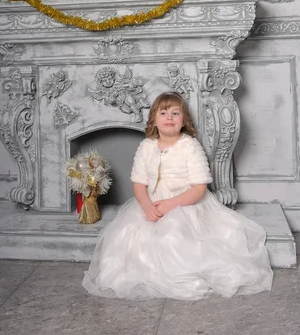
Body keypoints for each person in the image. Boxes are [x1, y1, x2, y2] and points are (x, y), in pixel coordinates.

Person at [82, 91, 273, 300]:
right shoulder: (146, 147)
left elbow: (199, 188)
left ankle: (181, 274)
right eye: (163, 113)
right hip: (151, 204)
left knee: (173, 234)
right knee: (127, 238)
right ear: (154, 120)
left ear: (184, 121)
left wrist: (169, 205)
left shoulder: (189, 146)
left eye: (175, 113)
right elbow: (138, 184)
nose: (169, 118)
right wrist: (147, 206)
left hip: (186, 202)